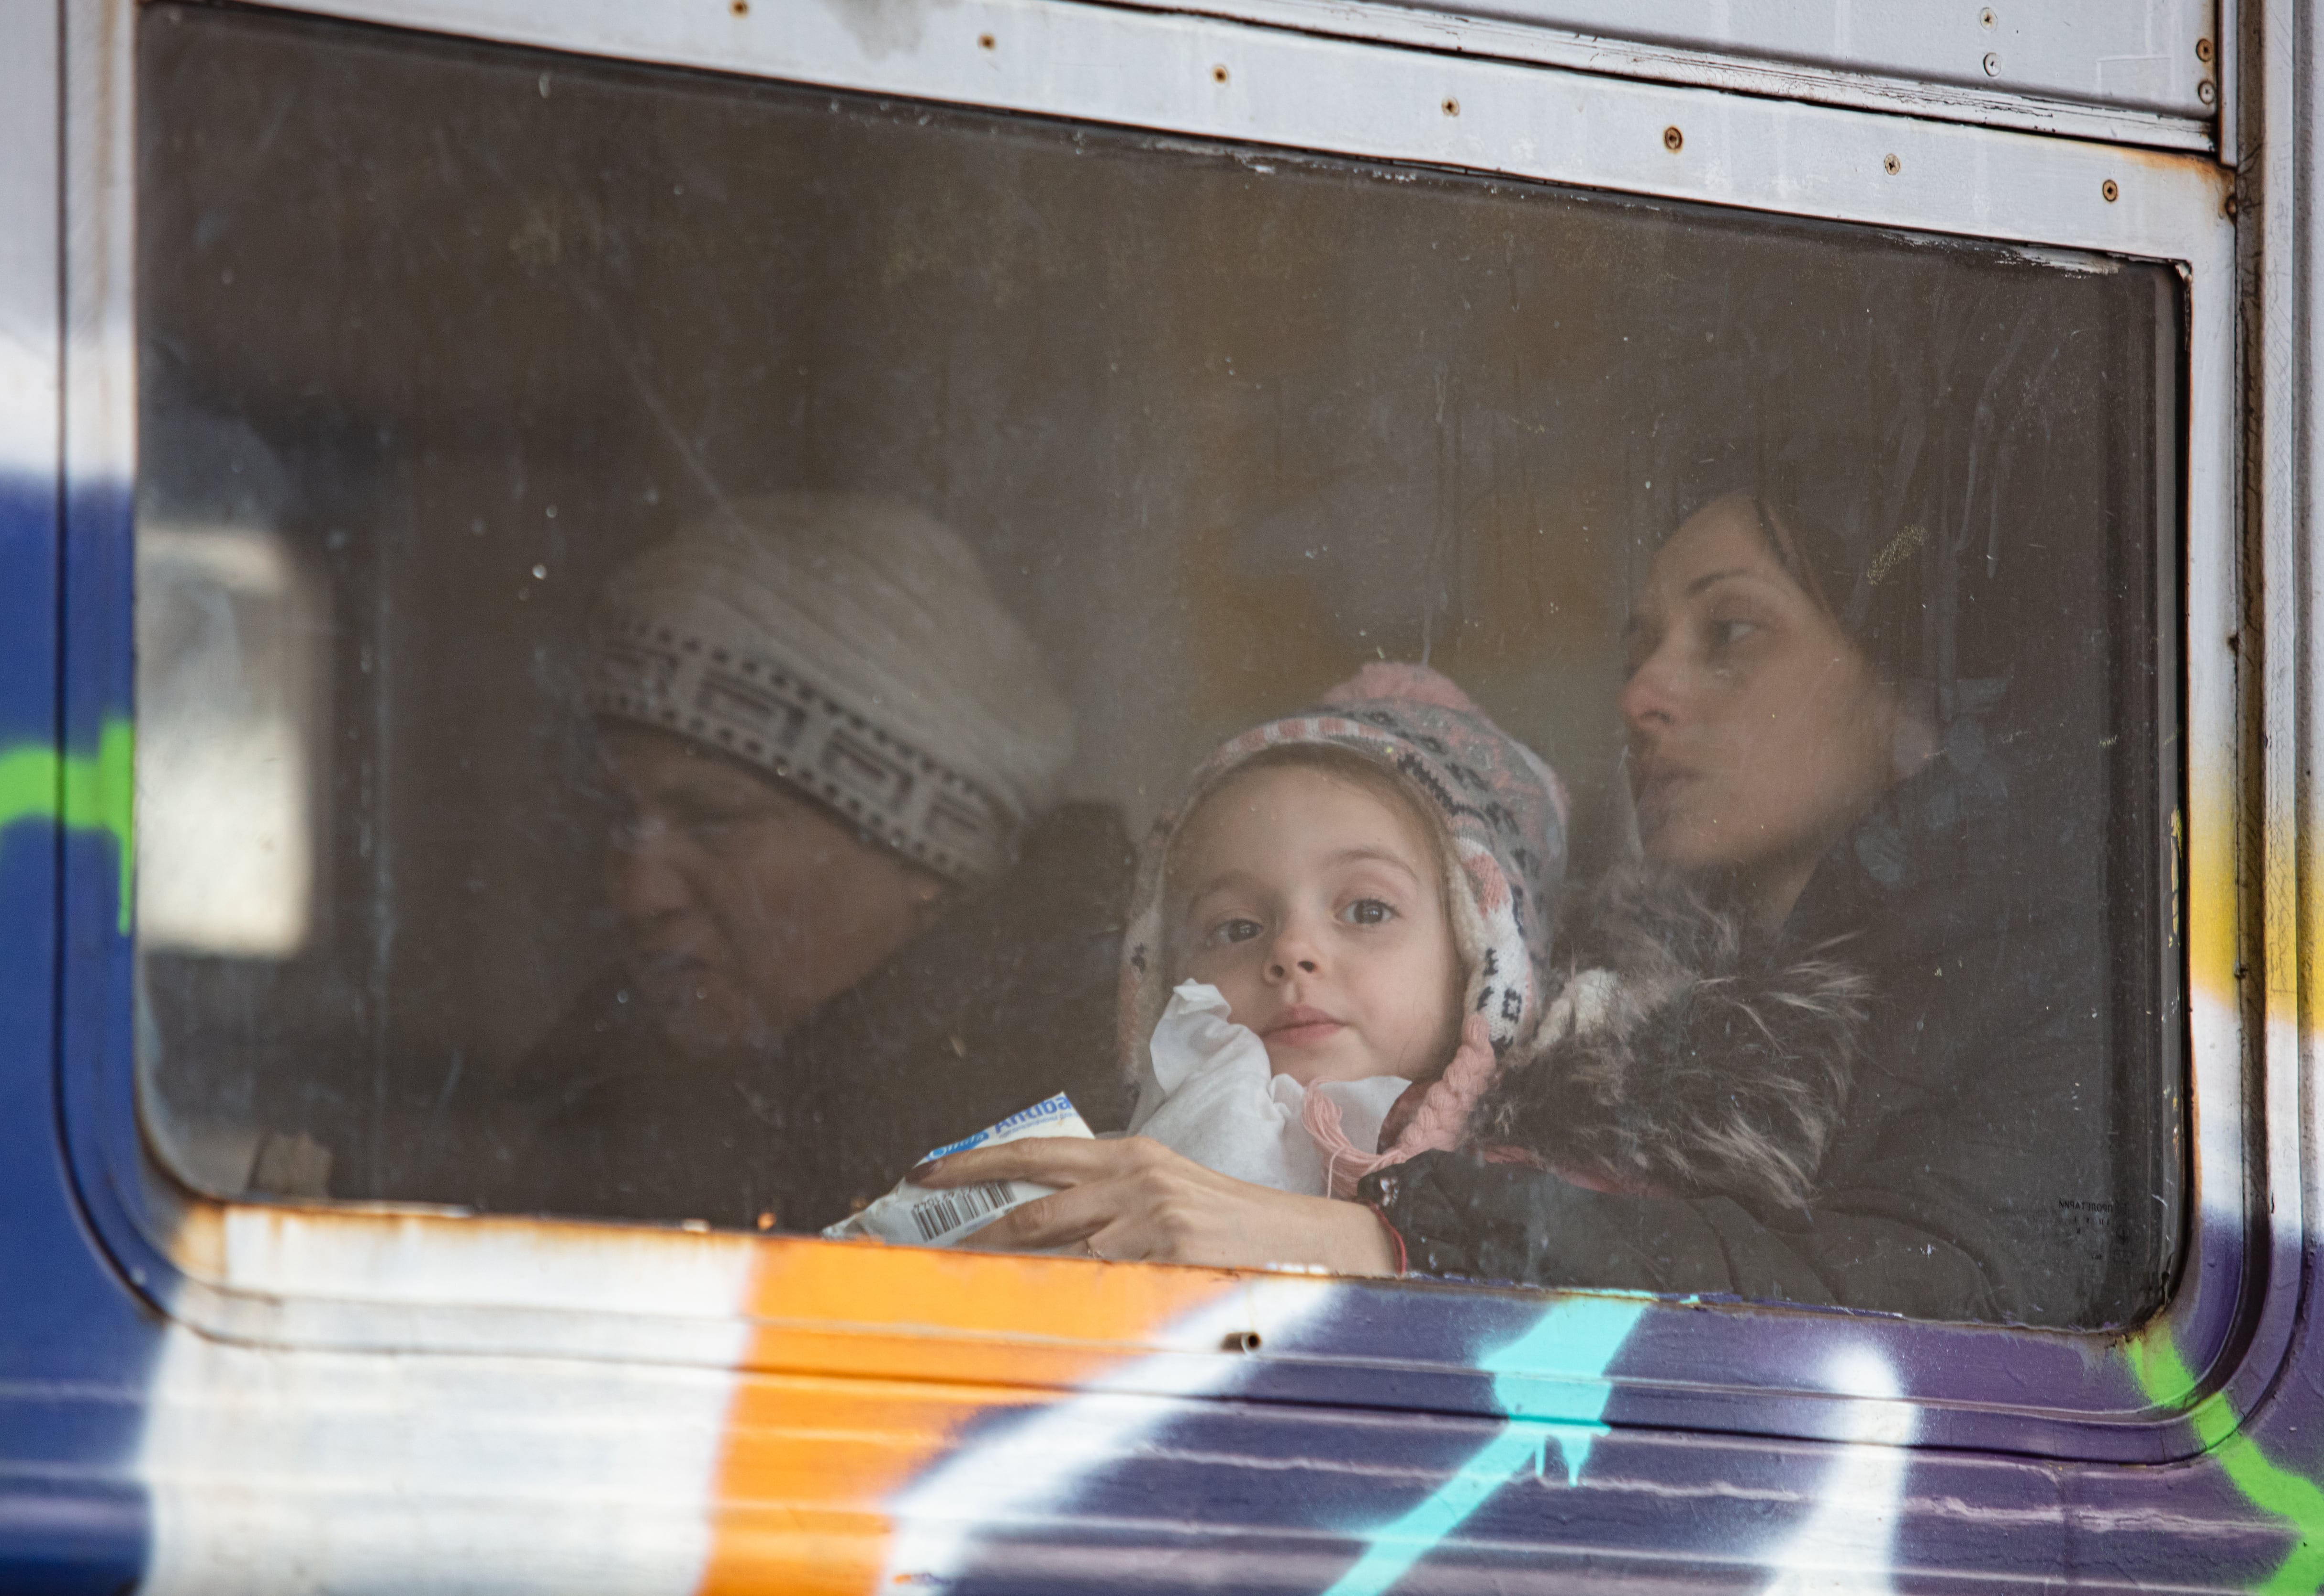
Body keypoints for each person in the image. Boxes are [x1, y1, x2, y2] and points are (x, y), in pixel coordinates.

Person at [921, 477, 2164, 1329]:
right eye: (1636, 649)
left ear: (1921, 682)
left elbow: (1926, 1316)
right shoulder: (1582, 1029)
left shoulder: (2092, 1009)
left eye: (1729, 631)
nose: (1642, 696)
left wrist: (1365, 1237)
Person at [475, 492, 1135, 1230]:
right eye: (621, 818)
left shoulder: (1102, 1112)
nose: (639, 891)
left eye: (714, 818)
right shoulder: (598, 1108)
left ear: (921, 850)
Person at [1123, 664, 1566, 1199]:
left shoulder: (1535, 1200)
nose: (1291, 950)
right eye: (1238, 927)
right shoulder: (1114, 1175)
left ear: (1479, 964)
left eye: (1367, 912)